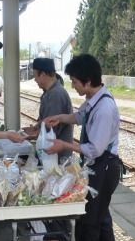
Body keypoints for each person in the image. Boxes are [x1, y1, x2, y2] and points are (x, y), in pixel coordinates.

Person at [44, 54, 121, 241]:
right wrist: (61, 118)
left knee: (91, 221)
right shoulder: (94, 98)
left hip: (105, 167)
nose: (73, 85)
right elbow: (80, 117)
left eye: (75, 81)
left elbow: (95, 149)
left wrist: (64, 145)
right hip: (97, 165)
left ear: (87, 81)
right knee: (101, 217)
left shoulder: (104, 109)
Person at [23, 57, 73, 163]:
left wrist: (30, 136)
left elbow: (50, 129)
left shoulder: (56, 95)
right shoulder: (49, 92)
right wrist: (35, 128)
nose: (35, 79)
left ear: (43, 74)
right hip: (51, 155)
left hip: (56, 158)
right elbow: (44, 122)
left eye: (35, 75)